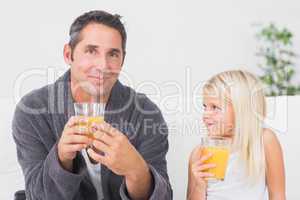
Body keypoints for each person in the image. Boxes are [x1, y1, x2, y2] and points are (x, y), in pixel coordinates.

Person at [12, 10, 172, 200]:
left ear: (122, 60)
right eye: (91, 51)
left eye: (113, 54)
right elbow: (37, 196)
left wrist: (136, 170)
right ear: (68, 54)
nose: (103, 65)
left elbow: (163, 197)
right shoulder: (33, 111)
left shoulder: (146, 113)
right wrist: (61, 159)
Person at [187, 70, 286, 200]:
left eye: (215, 107)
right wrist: (199, 186)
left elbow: (278, 196)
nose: (206, 114)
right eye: (205, 107)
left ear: (241, 109)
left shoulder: (264, 141)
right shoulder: (199, 154)